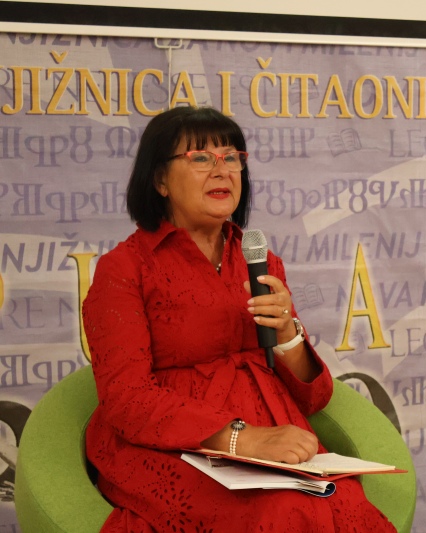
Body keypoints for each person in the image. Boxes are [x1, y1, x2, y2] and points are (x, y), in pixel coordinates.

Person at [82, 106, 396, 532]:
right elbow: (127, 400)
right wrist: (242, 439)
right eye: (200, 158)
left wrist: (287, 335)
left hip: (272, 439)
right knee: (285, 511)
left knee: (347, 509)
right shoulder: (125, 268)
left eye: (231, 157)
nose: (222, 170)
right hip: (173, 446)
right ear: (159, 181)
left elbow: (315, 397)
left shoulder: (260, 260)